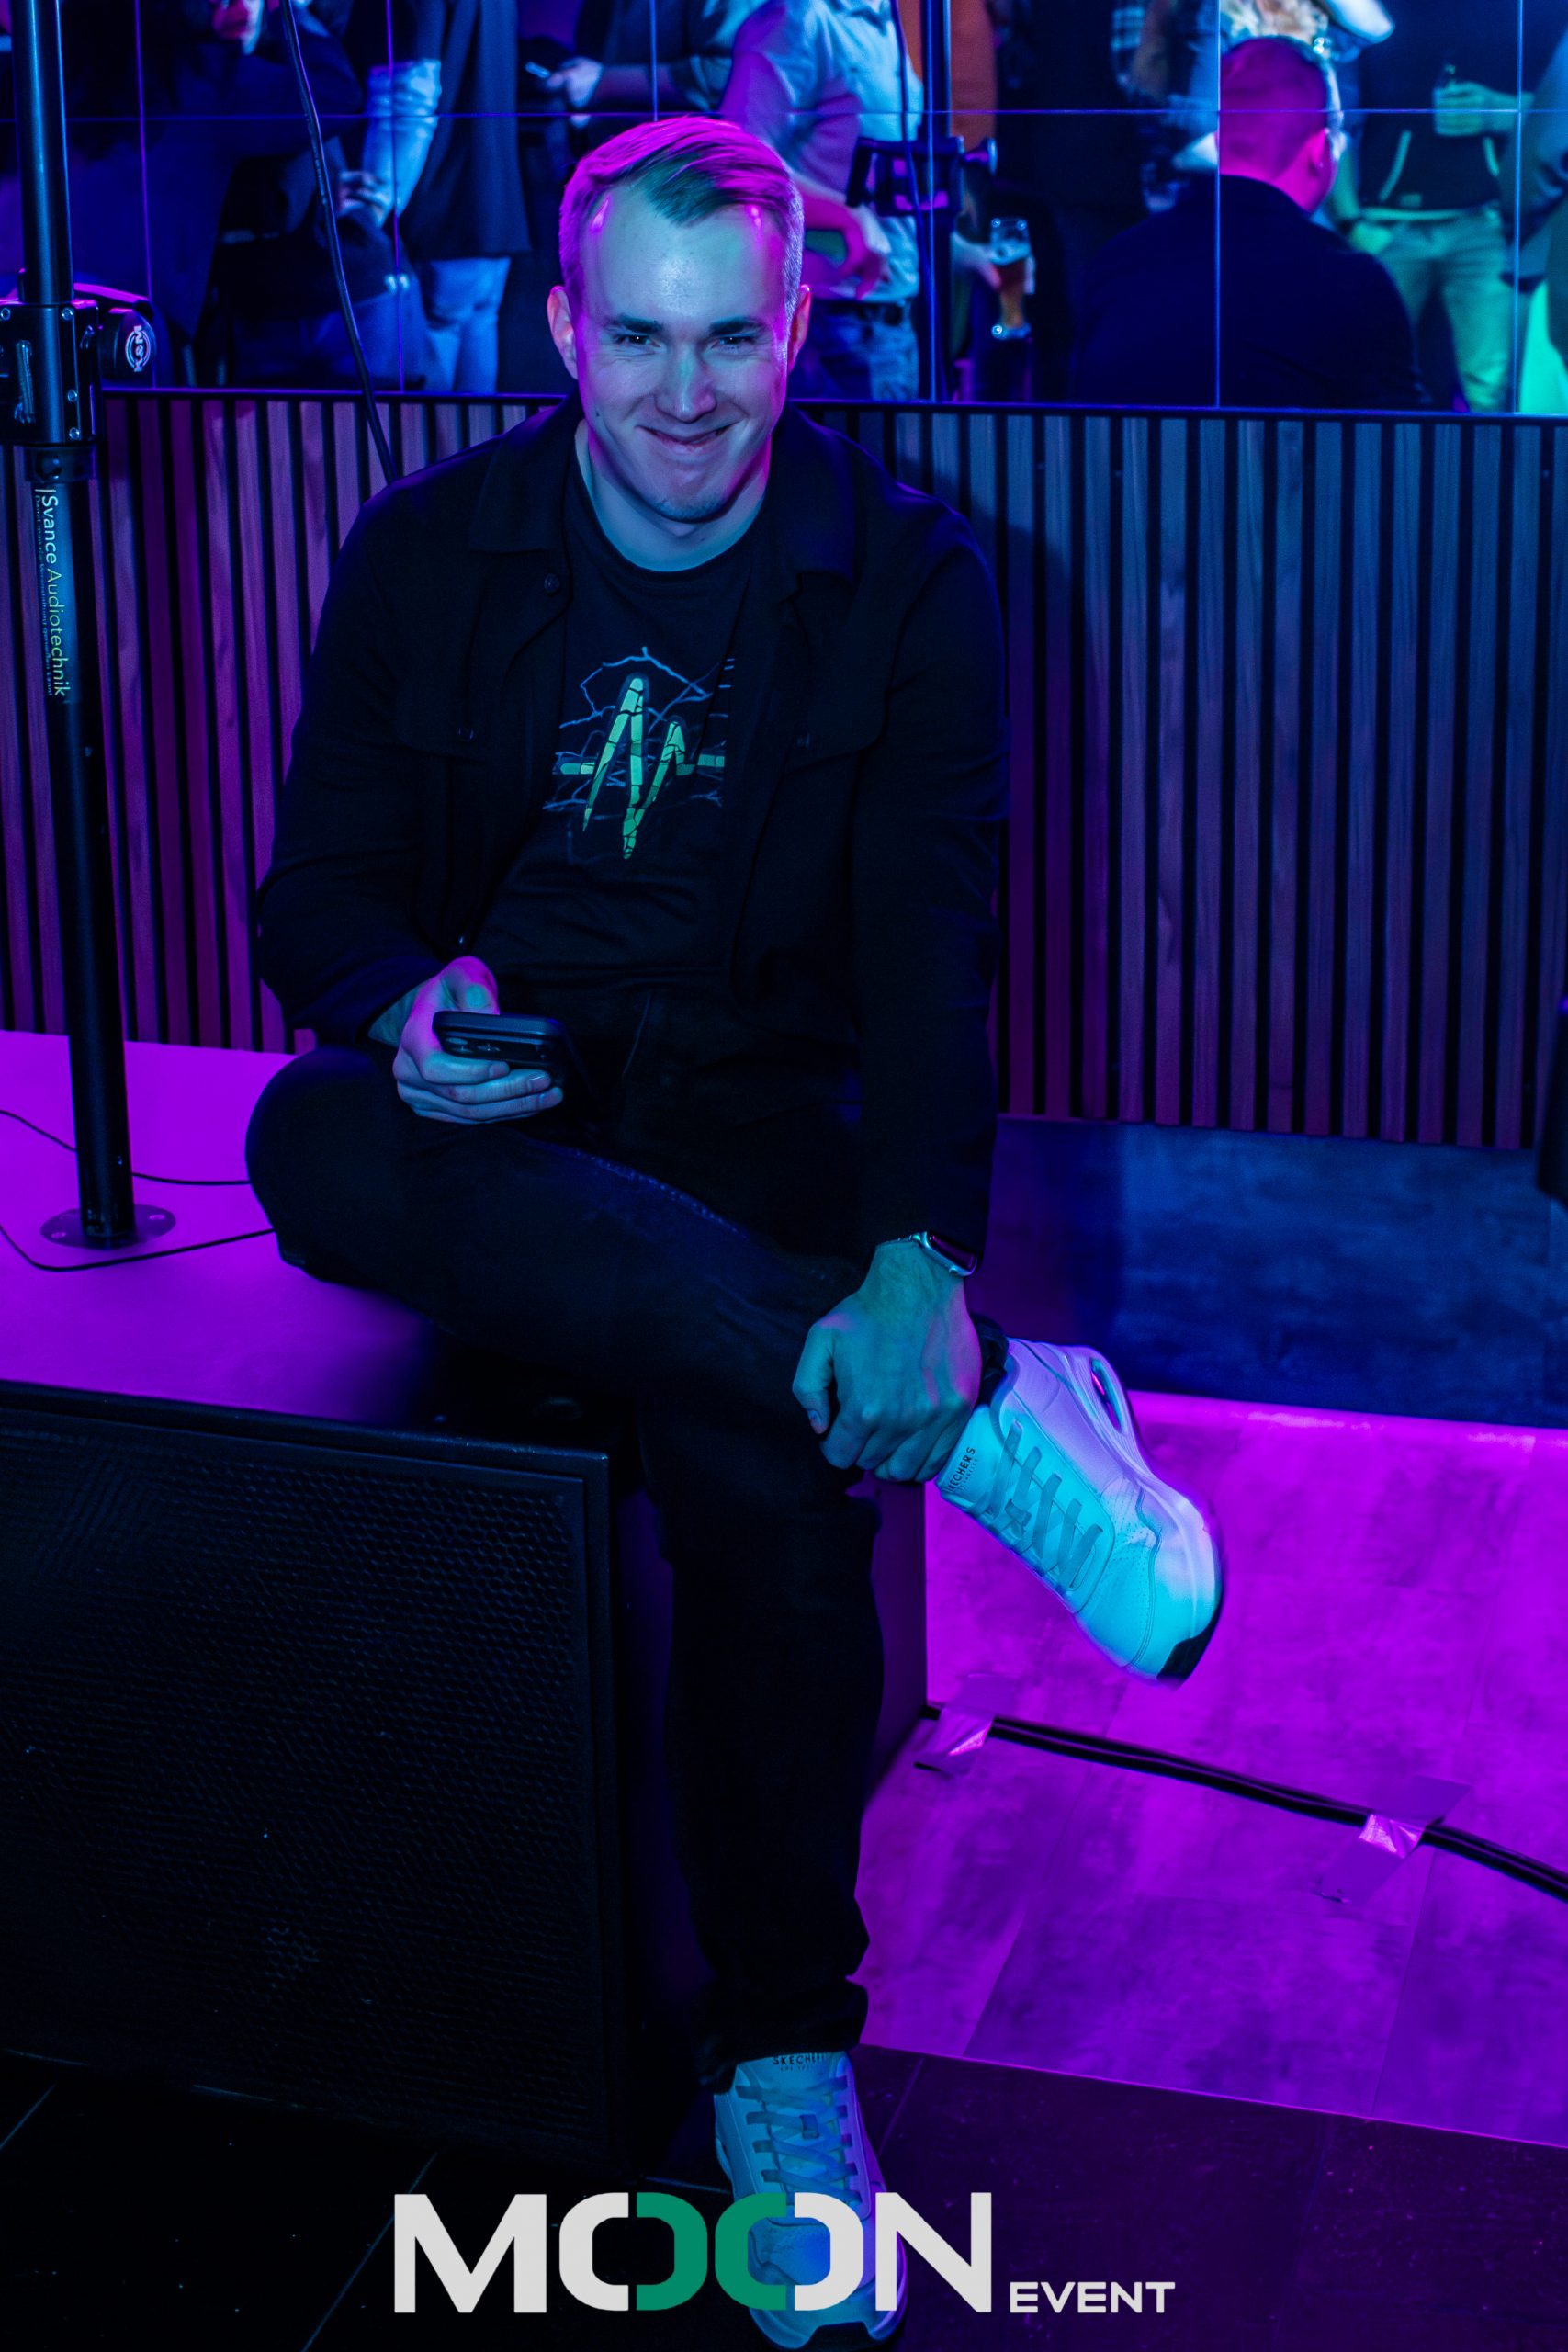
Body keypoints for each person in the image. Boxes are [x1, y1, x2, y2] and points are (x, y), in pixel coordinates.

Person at [245, 116, 1219, 2343]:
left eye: (726, 340)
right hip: (504, 1117)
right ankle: (999, 1420)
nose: (681, 394)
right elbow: (315, 887)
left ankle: (781, 2052)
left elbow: (929, 958)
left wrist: (918, 1262)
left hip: (764, 1123)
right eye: (637, 338)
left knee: (766, 1470)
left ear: (796, 332)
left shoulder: (910, 579)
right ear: (560, 330)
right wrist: (405, 1005)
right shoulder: (425, 551)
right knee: (310, 1134)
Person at [1071, 34, 1423, 410]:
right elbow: (1401, 439)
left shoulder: (1116, 261)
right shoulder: (1353, 283)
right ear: (1321, 150)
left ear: (1216, 141)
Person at [1333, 0, 1564, 413]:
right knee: (1370, 382)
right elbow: (1335, 117)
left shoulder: (1525, 11)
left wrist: (1503, 111)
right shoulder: (1371, 14)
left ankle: (1490, 459)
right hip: (1389, 228)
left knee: (1490, 391)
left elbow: (1554, 114)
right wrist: (1352, 223)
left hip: (1486, 228)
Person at [719, 0, 922, 400]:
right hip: (828, 325)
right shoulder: (799, 18)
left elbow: (883, 178)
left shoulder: (883, 19)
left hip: (884, 320)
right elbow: (738, 161)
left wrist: (960, 250)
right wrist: (845, 214)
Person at [392, 0, 532, 390]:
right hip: (494, 206)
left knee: (437, 366)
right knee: (477, 336)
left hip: (443, 205)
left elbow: (413, 89)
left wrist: (385, 204)